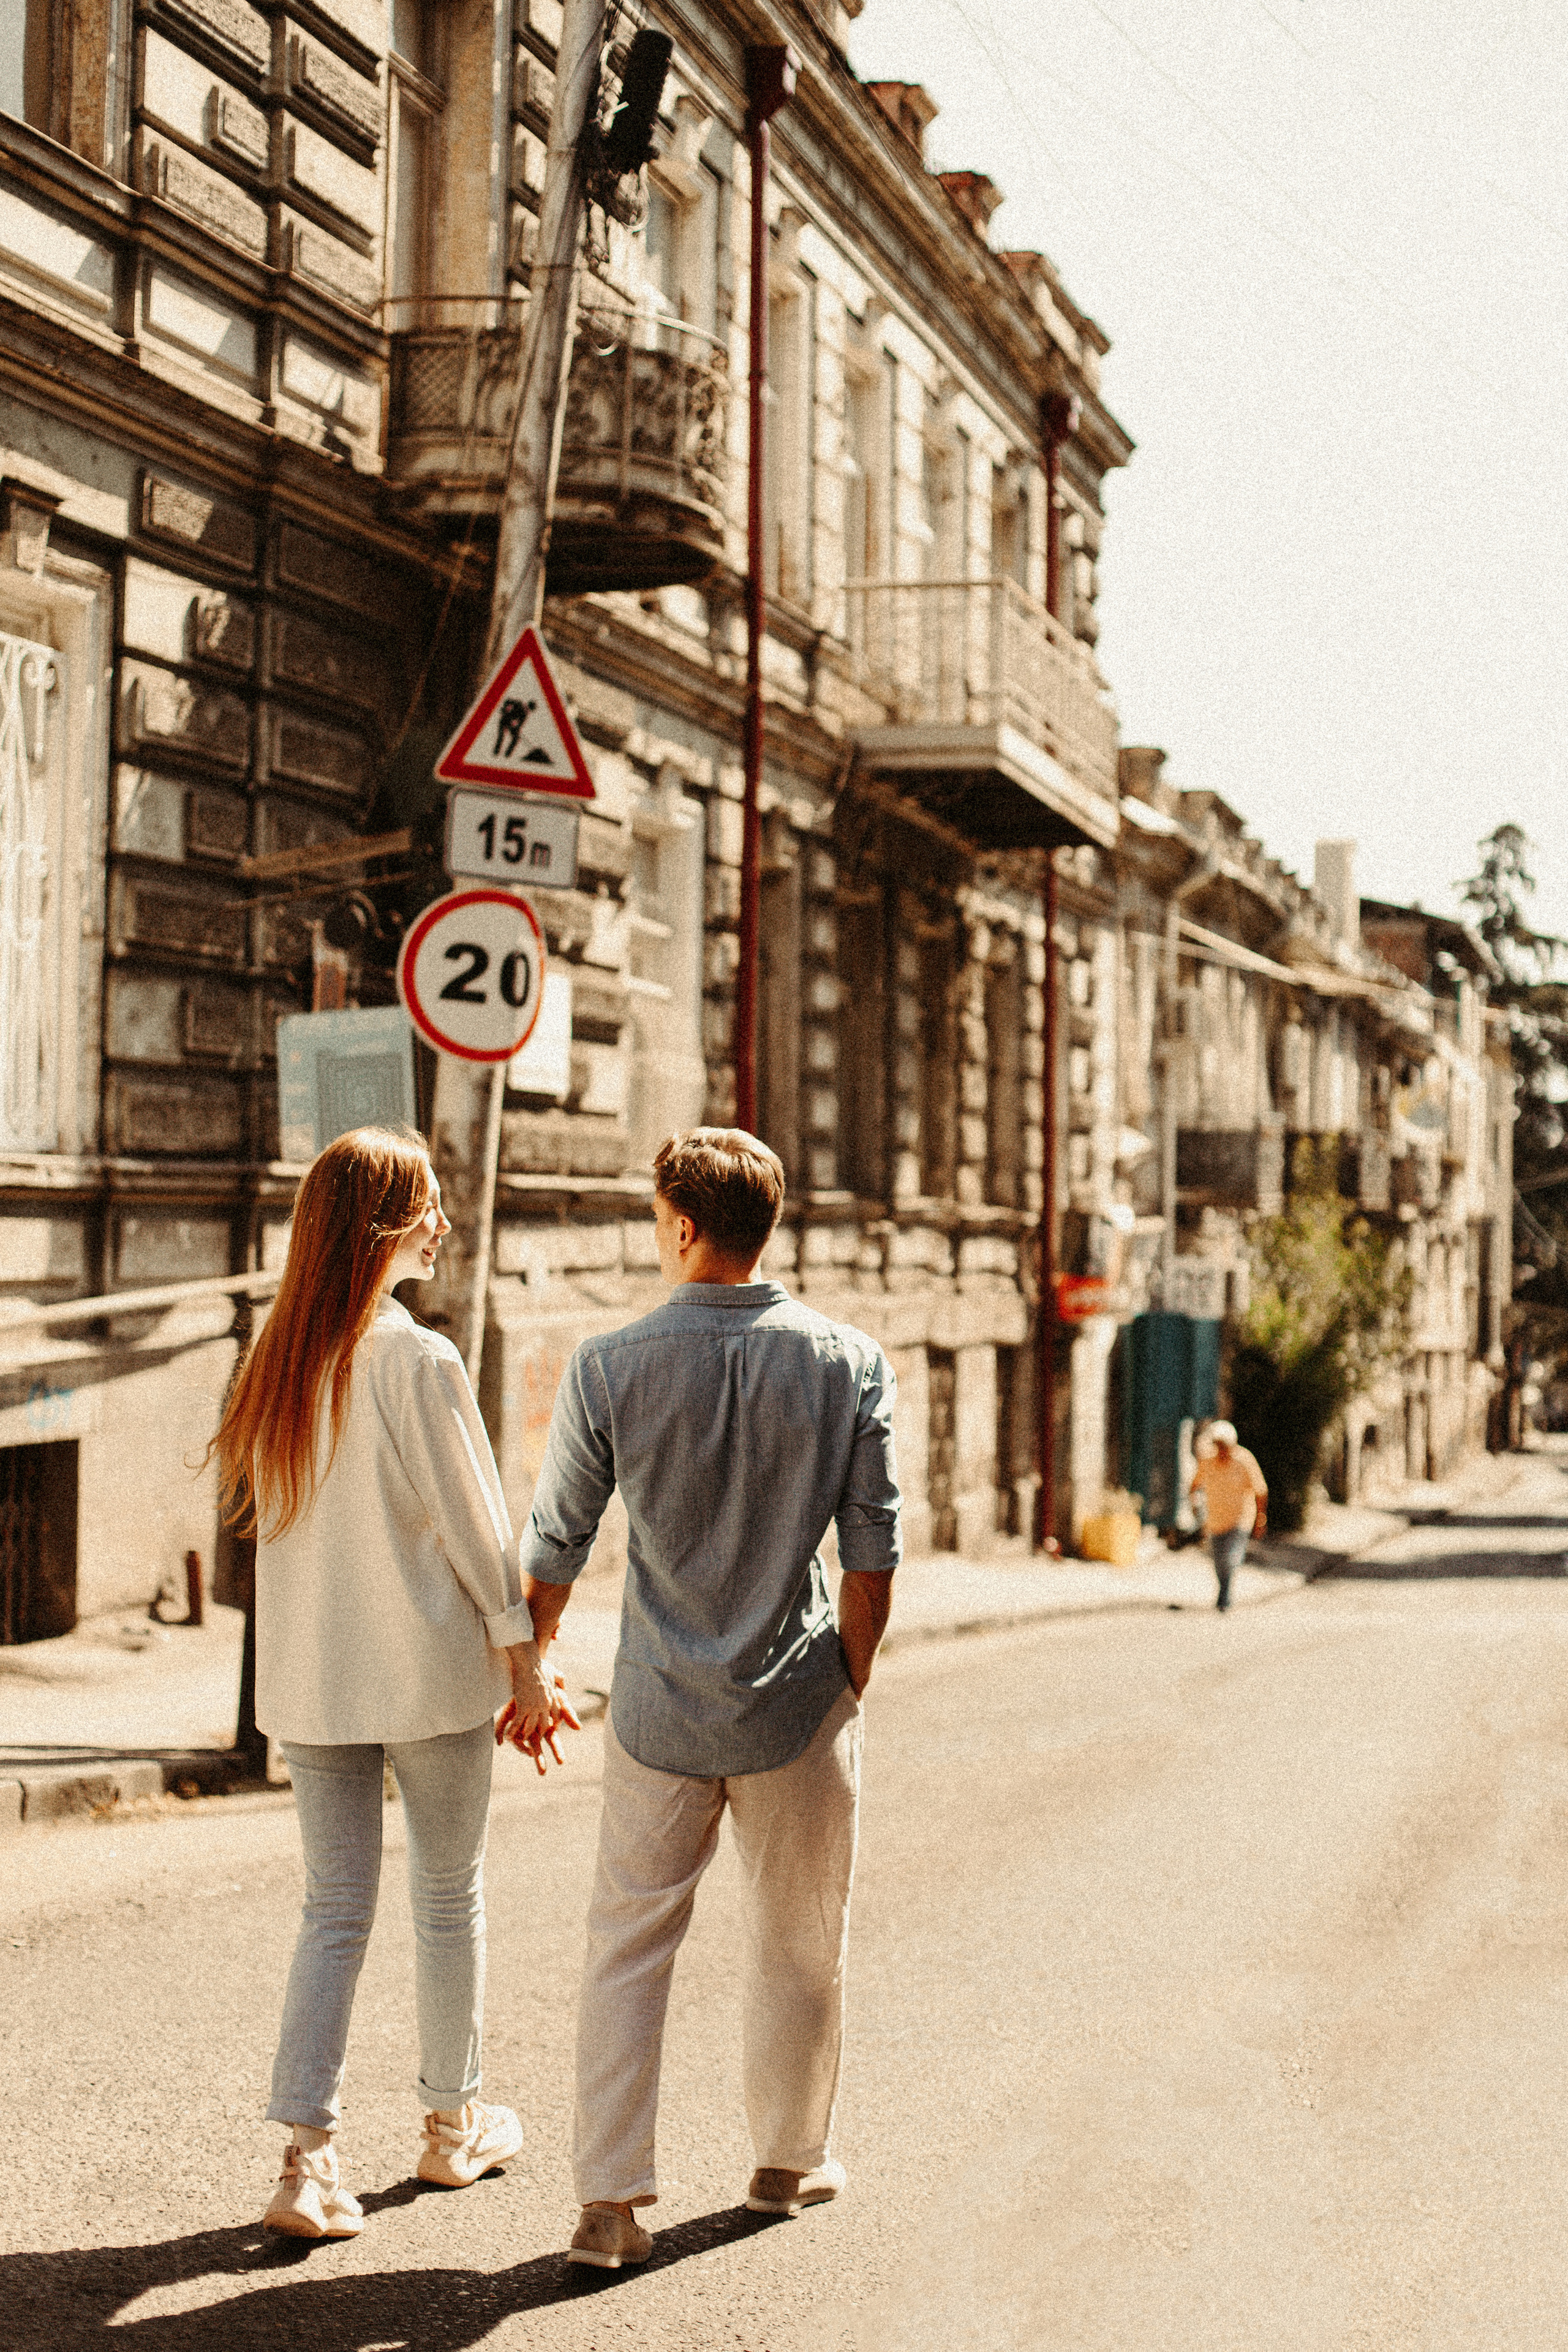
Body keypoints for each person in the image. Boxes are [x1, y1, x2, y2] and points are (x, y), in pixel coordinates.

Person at [505, 1127, 902, 2271]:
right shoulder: (849, 1361)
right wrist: (848, 1680)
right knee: (800, 1940)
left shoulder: (608, 1365)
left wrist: (535, 1665)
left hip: (658, 1713)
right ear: (762, 1227)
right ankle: (786, 2163)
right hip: (797, 1704)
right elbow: (873, 1557)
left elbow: (556, 1551)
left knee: (627, 1948)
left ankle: (610, 2206)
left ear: (682, 1226)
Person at [209, 1125, 576, 2241]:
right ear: (381, 1229)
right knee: (445, 1897)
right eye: (428, 1204)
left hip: (316, 1679)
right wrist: (529, 1663)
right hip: (425, 1676)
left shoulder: (277, 1357)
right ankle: (450, 2127)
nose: (444, 1224)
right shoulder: (417, 1359)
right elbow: (475, 1533)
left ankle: (306, 2159)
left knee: (333, 1912)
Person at [1188, 1420, 1268, 1611]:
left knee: (1230, 1558)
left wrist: (1261, 1519)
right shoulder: (1207, 1461)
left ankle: (1224, 1597)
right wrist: (1194, 1504)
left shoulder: (1244, 1460)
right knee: (1218, 1561)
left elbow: (1261, 1490)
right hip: (1215, 1519)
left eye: (1225, 1446)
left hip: (1241, 1518)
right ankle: (1224, 1591)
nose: (1221, 1450)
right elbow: (1195, 1485)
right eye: (1218, 1446)